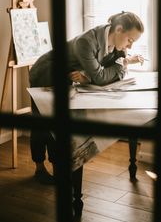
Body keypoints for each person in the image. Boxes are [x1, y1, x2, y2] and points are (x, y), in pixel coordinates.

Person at [29, 11, 145, 184]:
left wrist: (94, 75)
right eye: (130, 40)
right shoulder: (87, 41)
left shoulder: (117, 47)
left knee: (58, 123)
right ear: (119, 29)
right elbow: (101, 77)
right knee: (43, 123)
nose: (130, 47)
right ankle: (39, 167)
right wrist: (117, 66)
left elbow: (114, 70)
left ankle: (59, 168)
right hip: (46, 73)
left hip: (66, 77)